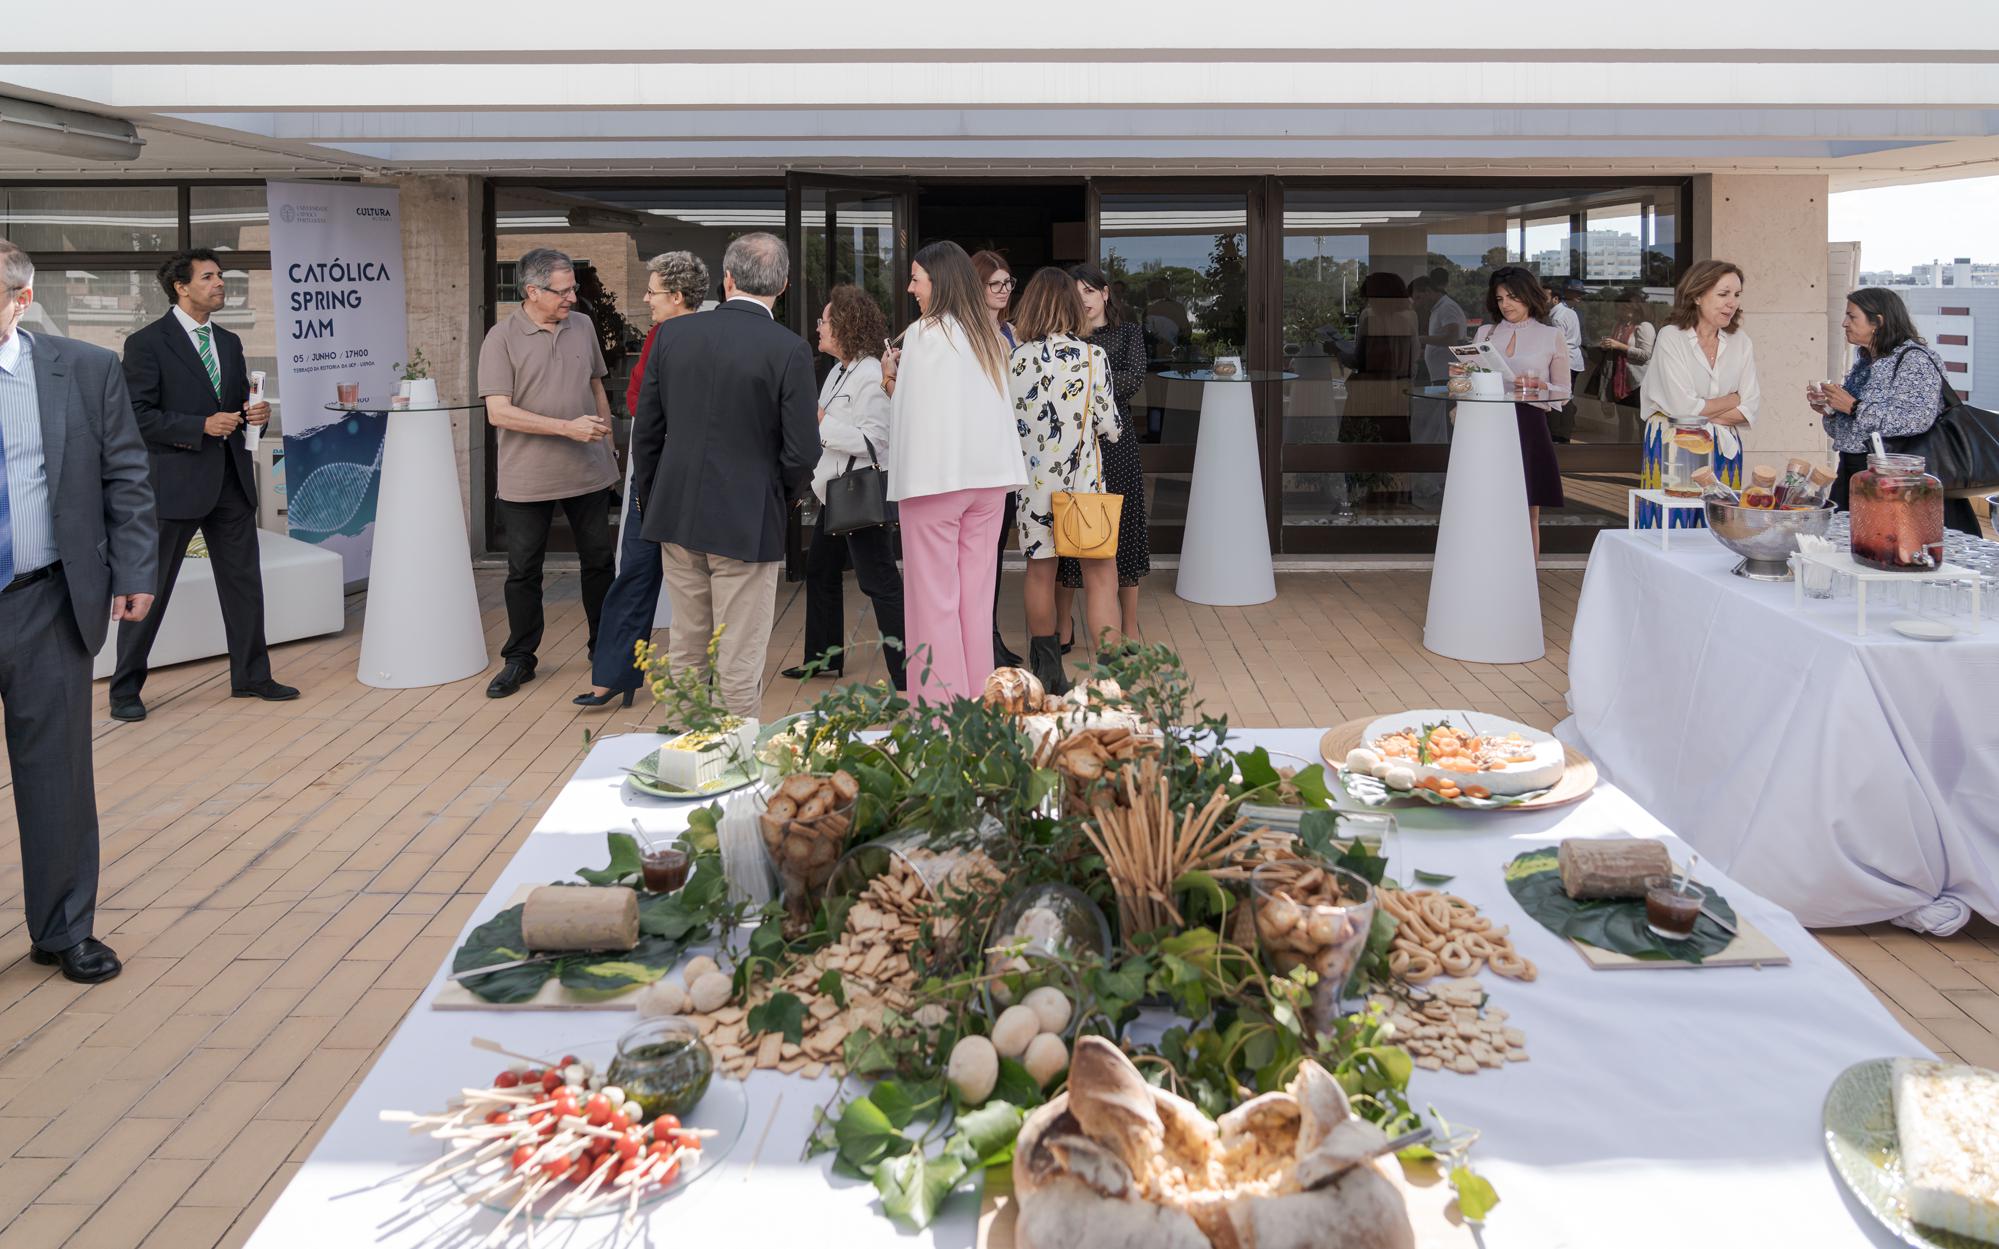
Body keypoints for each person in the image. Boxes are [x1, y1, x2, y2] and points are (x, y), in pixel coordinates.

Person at [0, 240, 158, 983]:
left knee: (56, 775)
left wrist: (134, 570)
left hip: (44, 599)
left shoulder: (83, 370)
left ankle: (64, 930)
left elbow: (125, 474)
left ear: (18, 301)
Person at [632, 232, 819, 719]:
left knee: (687, 645)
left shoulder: (673, 335)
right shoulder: (789, 349)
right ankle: (734, 764)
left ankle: (681, 750)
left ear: (728, 279)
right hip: (746, 515)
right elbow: (802, 451)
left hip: (677, 510)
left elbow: (647, 431)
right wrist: (781, 499)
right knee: (739, 652)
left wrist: (651, 499)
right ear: (784, 285)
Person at [111, 248, 297, 720]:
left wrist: (258, 412)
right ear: (180, 286)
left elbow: (236, 403)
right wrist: (198, 426)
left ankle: (252, 677)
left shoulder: (229, 342)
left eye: (221, 276)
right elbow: (136, 416)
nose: (220, 283)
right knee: (150, 588)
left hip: (231, 482)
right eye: (209, 276)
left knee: (243, 584)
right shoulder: (147, 343)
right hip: (175, 485)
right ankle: (125, 689)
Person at [881, 241, 1025, 705]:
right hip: (989, 484)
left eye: (916, 278)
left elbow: (915, 414)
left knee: (934, 604)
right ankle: (978, 710)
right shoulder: (987, 335)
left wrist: (890, 380)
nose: (910, 287)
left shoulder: (926, 333)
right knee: (976, 604)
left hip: (935, 482)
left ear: (937, 282)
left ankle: (941, 717)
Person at [478, 247, 620, 699]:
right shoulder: (500, 338)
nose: (573, 299)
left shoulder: (582, 327)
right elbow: (499, 413)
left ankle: (606, 649)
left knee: (599, 563)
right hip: (527, 478)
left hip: (589, 472)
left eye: (573, 288)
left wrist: (607, 436)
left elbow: (596, 383)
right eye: (563, 291)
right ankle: (520, 659)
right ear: (532, 291)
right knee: (524, 571)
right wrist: (567, 428)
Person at [574, 251, 708, 707]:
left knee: (642, 572)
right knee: (659, 574)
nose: (646, 299)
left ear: (675, 295)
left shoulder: (670, 338)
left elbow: (638, 401)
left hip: (662, 472)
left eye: (652, 291)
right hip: (670, 470)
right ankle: (621, 674)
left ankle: (616, 675)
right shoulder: (678, 334)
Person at [780, 285, 907, 689]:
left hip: (857, 495)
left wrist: (820, 423)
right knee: (820, 570)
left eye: (825, 321)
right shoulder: (839, 369)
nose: (818, 327)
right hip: (834, 493)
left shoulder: (870, 373)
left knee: (879, 582)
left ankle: (906, 673)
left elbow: (875, 442)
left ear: (846, 327)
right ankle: (821, 659)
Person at [1009, 268, 1122, 692]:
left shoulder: (1013, 359)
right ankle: (1109, 677)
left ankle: (1049, 674)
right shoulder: (1093, 358)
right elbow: (1109, 425)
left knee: (1039, 573)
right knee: (1100, 576)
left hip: (1033, 489)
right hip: (1083, 490)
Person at [1810, 287, 1983, 536]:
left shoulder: (1915, 359)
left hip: (1897, 479)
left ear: (1878, 322)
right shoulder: (1866, 361)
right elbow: (1854, 427)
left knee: (1888, 550)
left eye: (1852, 316)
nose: (1844, 323)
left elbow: (1916, 419)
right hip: (1857, 471)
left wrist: (1853, 406)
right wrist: (1830, 410)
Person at [1054, 262, 1151, 650]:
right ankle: (1064, 623)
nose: (1085, 301)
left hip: (1117, 445)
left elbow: (1133, 381)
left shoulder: (1128, 333)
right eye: (1076, 295)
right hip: (1074, 447)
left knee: (1122, 530)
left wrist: (1087, 380)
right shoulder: (1063, 337)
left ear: (1106, 293)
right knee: (1068, 530)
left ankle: (1129, 627)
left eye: (1090, 292)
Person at [1638, 260, 1758, 531]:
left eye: (1737, 295)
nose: (1732, 303)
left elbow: (1750, 407)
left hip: (1725, 449)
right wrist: (1732, 399)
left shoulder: (1741, 341)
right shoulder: (1671, 337)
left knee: (1720, 529)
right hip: (1672, 445)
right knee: (1668, 528)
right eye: (1723, 294)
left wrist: (1701, 408)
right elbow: (1683, 409)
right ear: (1697, 295)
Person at [1473, 267, 1570, 559]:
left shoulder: (1551, 335)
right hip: (1488, 424)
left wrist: (1541, 386)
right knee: (1488, 505)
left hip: (1529, 424)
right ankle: (1487, 573)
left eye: (1513, 297)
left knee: (1528, 509)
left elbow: (1564, 392)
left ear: (1529, 296)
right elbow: (1473, 380)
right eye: (1500, 298)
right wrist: (1462, 376)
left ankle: (1528, 582)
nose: (1506, 304)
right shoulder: (1484, 333)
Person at [969, 249, 1025, 670]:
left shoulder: (1010, 332)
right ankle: (981, 640)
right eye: (996, 284)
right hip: (979, 457)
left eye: (1009, 283)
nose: (1005, 291)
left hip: (1008, 455)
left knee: (995, 554)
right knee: (979, 557)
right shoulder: (968, 336)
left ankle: (988, 636)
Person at [1409, 270, 1468, 512]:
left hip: (1448, 376)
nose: (1416, 303)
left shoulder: (1447, 308)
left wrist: (1421, 340)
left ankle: (1447, 482)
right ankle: (1441, 480)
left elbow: (1452, 336)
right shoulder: (1438, 309)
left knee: (1445, 428)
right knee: (1439, 428)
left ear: (1430, 292)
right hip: (1439, 375)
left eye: (1419, 298)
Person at [1595, 287, 1656, 431]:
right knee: (1624, 420)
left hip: (1638, 382)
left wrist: (1619, 346)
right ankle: (1622, 451)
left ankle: (1642, 451)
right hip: (1620, 379)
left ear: (1634, 308)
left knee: (1641, 421)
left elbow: (1646, 355)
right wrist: (1607, 345)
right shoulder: (1620, 325)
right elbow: (1617, 346)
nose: (1619, 311)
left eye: (1622, 308)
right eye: (1618, 308)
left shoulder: (1644, 327)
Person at [1547, 277, 1588, 442]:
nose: (1579, 296)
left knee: (1562, 398)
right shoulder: (1571, 312)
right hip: (1573, 359)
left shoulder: (1559, 316)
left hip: (1566, 359)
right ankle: (1563, 432)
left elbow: (1558, 343)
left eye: (1580, 293)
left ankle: (1562, 434)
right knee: (1566, 396)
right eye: (1576, 293)